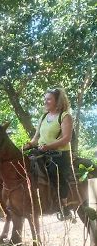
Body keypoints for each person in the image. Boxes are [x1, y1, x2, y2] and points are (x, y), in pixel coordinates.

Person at [23, 88, 73, 219]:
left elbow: (66, 138)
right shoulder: (43, 117)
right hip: (42, 152)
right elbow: (35, 139)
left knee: (54, 174)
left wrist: (48, 146)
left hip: (59, 155)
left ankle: (64, 207)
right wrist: (26, 146)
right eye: (45, 99)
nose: (45, 101)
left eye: (49, 99)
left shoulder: (65, 116)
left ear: (58, 101)